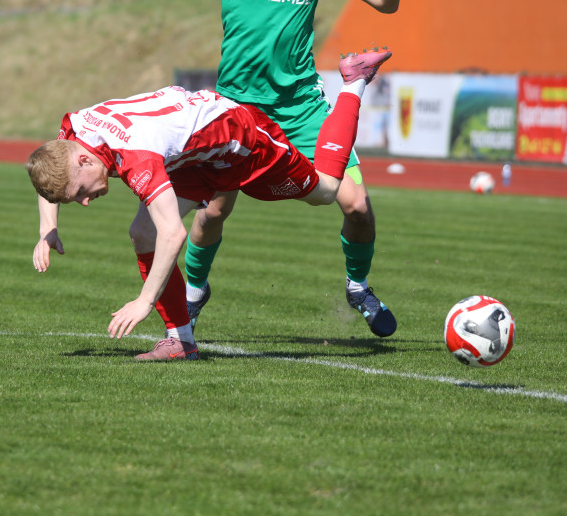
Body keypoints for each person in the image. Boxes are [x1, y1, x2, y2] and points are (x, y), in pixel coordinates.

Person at [148, 0, 410, 337]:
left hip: (303, 107)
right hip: (238, 109)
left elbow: (384, 1)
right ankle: (195, 291)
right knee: (212, 213)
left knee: (358, 206)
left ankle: (357, 287)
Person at [26, 49, 391, 361]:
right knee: (142, 232)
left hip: (240, 139)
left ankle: (353, 84)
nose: (86, 202)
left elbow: (174, 234)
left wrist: (144, 301)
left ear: (84, 162)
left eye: (81, 193)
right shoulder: (75, 131)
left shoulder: (136, 155)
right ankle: (181, 341)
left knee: (326, 190)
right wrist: (48, 229)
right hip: (191, 155)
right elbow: (48, 167)